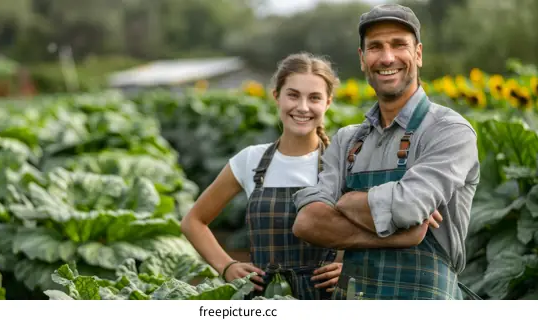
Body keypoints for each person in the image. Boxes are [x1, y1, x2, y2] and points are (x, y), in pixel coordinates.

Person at [291, 4, 481, 300]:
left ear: (418, 54)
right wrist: (401, 234)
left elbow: (408, 207)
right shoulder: (346, 140)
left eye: (398, 45)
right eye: (376, 47)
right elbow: (308, 222)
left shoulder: (449, 131)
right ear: (363, 59)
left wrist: (344, 201)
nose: (387, 57)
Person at [181, 52, 344, 300]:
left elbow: (375, 227)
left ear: (328, 102)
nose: (302, 107)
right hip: (262, 299)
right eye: (293, 95)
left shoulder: (341, 163)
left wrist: (350, 267)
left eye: (314, 98)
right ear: (276, 97)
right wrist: (226, 266)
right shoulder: (250, 160)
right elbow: (193, 221)